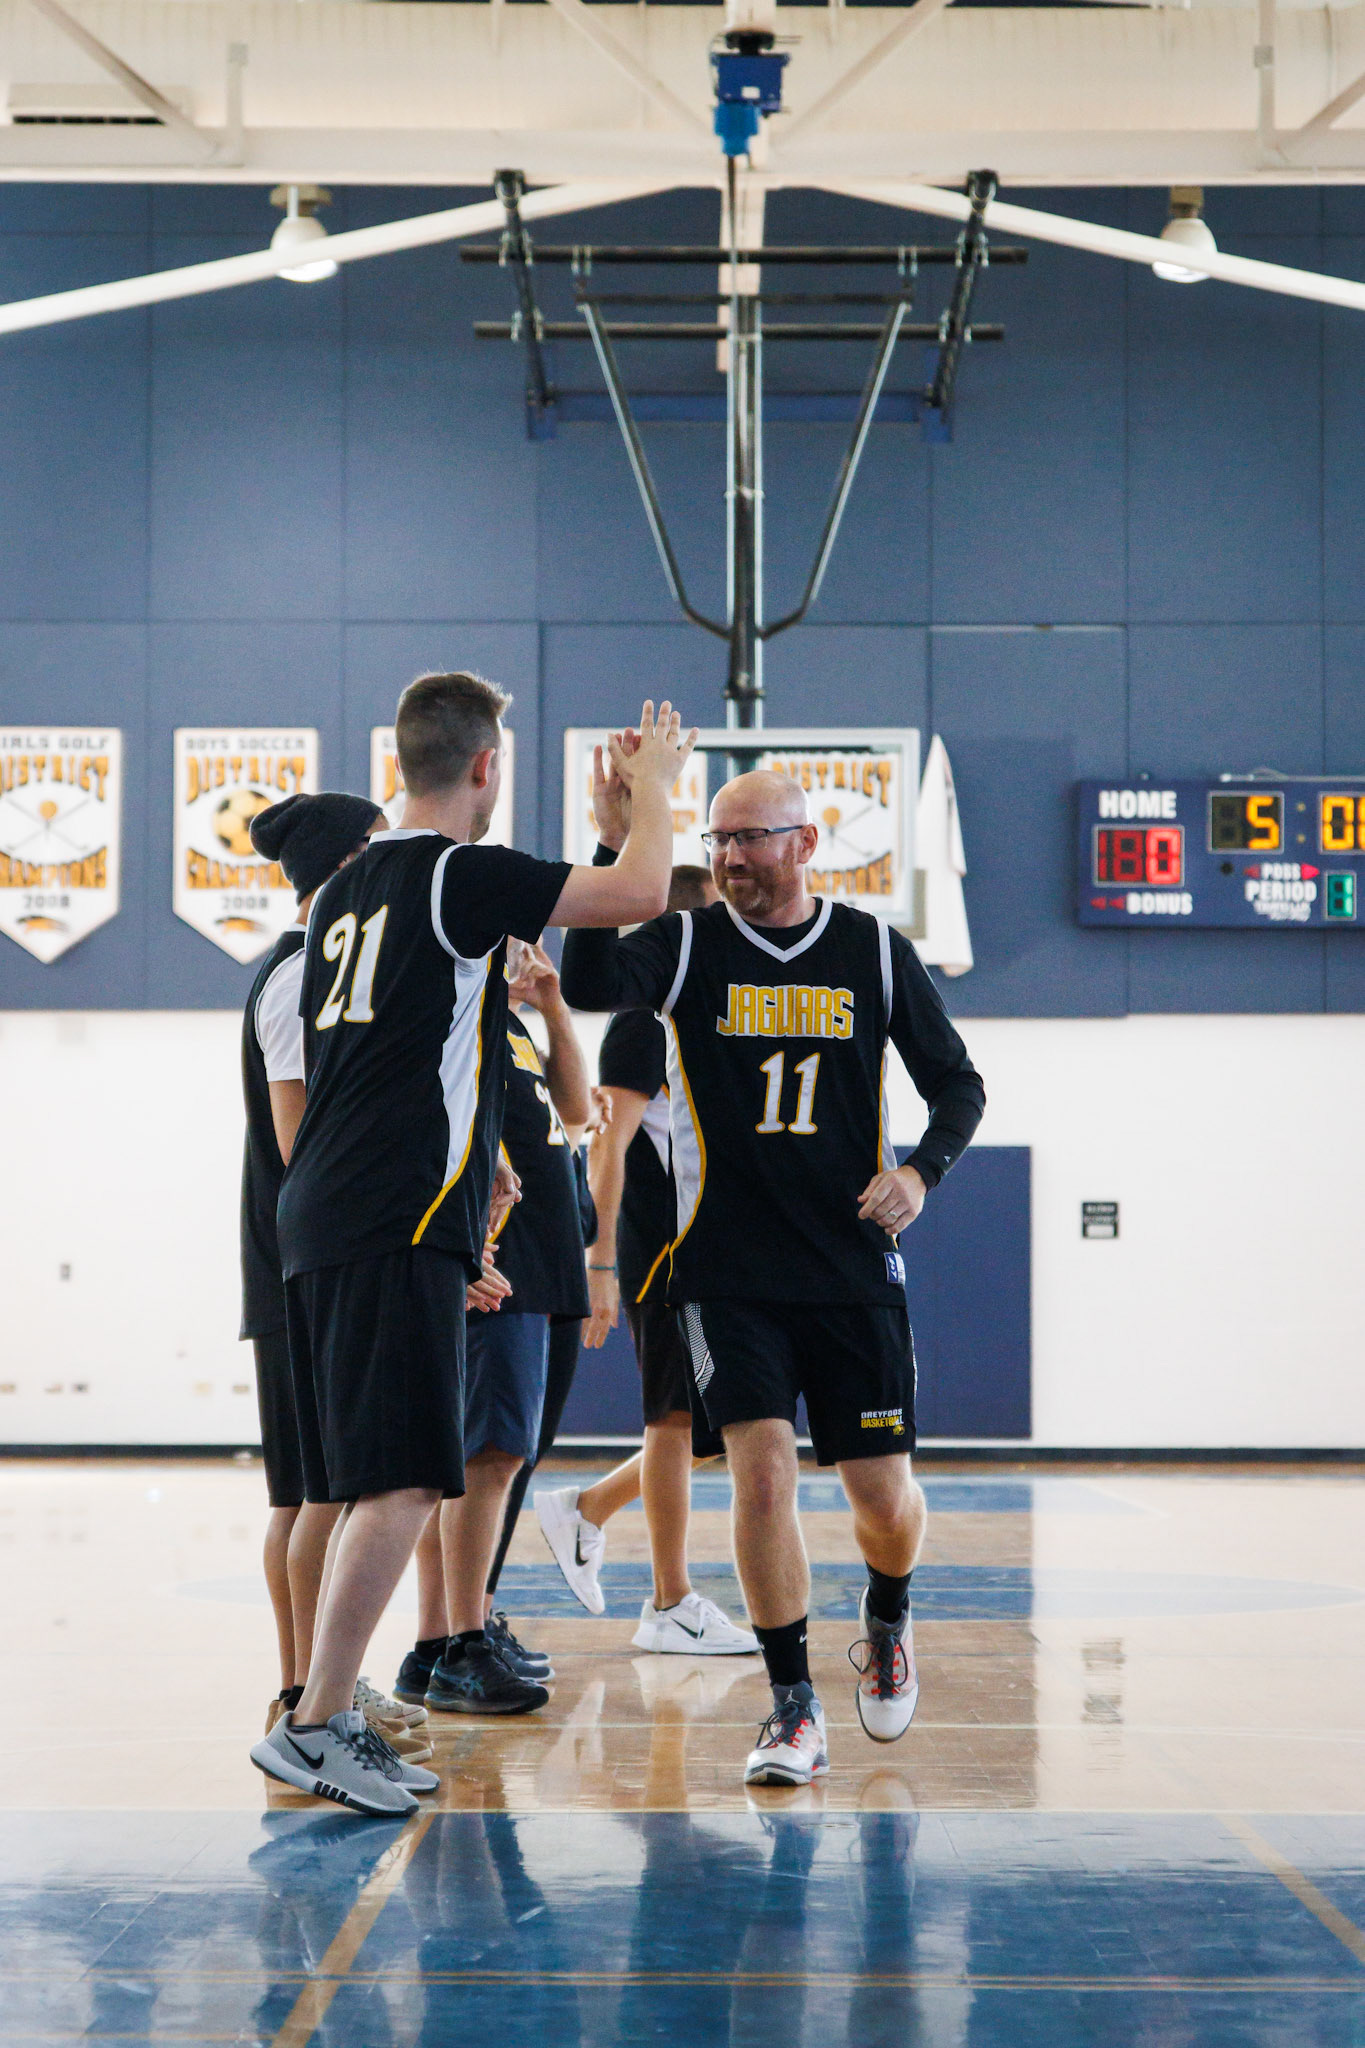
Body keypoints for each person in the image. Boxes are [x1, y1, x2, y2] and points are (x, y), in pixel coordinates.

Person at [250, 677, 695, 1817]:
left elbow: (408, 1051)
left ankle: (322, 1709)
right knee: (404, 1479)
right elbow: (645, 893)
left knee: (368, 1481)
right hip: (388, 1215)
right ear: (487, 765)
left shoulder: (346, 896)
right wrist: (654, 792)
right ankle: (314, 1724)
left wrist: (476, 1167)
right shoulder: (457, 874)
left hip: (335, 1208)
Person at [560, 765, 985, 1789]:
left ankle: (888, 1616)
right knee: (760, 1474)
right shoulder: (688, 944)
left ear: (805, 843)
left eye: (751, 837)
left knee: (884, 1497)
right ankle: (793, 1705)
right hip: (724, 1268)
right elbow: (586, 984)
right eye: (719, 839)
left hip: (849, 1264)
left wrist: (920, 1174)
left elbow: (958, 1084)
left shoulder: (873, 951)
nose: (732, 856)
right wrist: (614, 846)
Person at [537, 865, 756, 1657]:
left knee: (711, 1426)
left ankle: (587, 1509)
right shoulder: (643, 1022)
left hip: (713, 1245)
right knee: (673, 1420)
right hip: (659, 1246)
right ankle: (669, 1601)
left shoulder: (701, 1016)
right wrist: (599, 1264)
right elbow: (609, 1149)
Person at [396, 940, 593, 1715]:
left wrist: (552, 1007)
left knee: (497, 1455)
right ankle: (459, 1643)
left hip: (544, 1257)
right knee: (486, 1455)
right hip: (495, 1259)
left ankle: (440, 1642)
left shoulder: (504, 1023)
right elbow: (418, 1124)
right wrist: (455, 1244)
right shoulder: (444, 1012)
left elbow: (575, 1114)